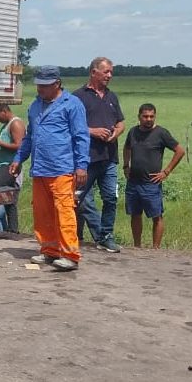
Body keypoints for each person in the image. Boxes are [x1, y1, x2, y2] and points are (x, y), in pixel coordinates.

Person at [9, 65, 89, 271]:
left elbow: (81, 137)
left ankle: (70, 254)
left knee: (64, 211)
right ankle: (49, 251)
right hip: (40, 168)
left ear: (57, 84)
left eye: (44, 86)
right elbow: (29, 137)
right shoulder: (35, 106)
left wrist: (81, 166)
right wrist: (19, 159)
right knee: (42, 212)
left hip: (62, 168)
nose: (40, 89)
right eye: (38, 85)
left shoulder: (72, 105)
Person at [73, 57, 125, 252]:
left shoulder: (112, 97)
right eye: (106, 72)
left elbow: (121, 122)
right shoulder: (78, 96)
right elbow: (69, 125)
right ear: (94, 72)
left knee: (111, 197)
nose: (110, 76)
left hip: (109, 157)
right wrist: (92, 131)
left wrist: (117, 132)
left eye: (111, 72)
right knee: (75, 198)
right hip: (86, 158)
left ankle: (106, 236)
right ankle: (68, 235)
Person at [121, 103, 185, 249]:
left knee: (156, 215)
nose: (148, 119)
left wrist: (166, 171)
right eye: (145, 116)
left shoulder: (161, 133)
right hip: (133, 182)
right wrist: (126, 165)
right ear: (139, 117)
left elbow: (180, 151)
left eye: (151, 116)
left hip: (151, 182)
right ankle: (137, 246)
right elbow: (127, 147)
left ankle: (156, 249)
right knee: (135, 214)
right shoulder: (133, 132)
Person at [0, 104, 25, 233]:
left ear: (4, 111)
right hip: (2, 166)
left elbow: (20, 146)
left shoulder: (16, 123)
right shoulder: (6, 125)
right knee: (9, 197)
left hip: (9, 165)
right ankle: (13, 230)